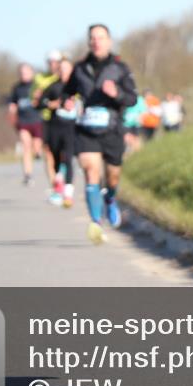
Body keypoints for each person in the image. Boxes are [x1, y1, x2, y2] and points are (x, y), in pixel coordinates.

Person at [59, 24, 138, 245]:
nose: (96, 41)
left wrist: (117, 93)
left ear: (109, 41)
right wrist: (67, 100)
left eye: (101, 37)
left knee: (112, 176)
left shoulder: (120, 67)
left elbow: (132, 98)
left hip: (112, 129)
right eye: (93, 38)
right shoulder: (80, 68)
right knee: (91, 170)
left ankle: (110, 198)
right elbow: (68, 91)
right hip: (86, 130)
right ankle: (95, 222)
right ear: (89, 42)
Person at [37, 57, 78, 208]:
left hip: (72, 127)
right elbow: (40, 103)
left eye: (67, 68)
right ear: (58, 70)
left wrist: (77, 106)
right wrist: (51, 104)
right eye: (61, 68)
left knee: (67, 157)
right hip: (55, 126)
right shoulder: (53, 86)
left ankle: (68, 194)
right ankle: (58, 184)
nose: (64, 71)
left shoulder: (78, 86)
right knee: (55, 158)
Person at [32, 51, 63, 199]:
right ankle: (55, 188)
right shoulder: (39, 78)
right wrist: (37, 98)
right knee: (48, 153)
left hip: (64, 120)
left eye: (55, 62)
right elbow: (34, 99)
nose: (53, 65)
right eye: (50, 62)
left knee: (62, 154)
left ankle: (63, 181)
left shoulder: (64, 76)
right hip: (45, 119)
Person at [8, 63, 44, 186]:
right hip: (23, 121)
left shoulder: (37, 85)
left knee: (36, 146)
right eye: (21, 72)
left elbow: (44, 101)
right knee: (26, 146)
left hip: (37, 120)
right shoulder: (16, 88)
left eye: (26, 72)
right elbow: (13, 104)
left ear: (31, 72)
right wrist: (12, 116)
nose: (24, 74)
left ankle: (38, 152)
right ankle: (28, 174)